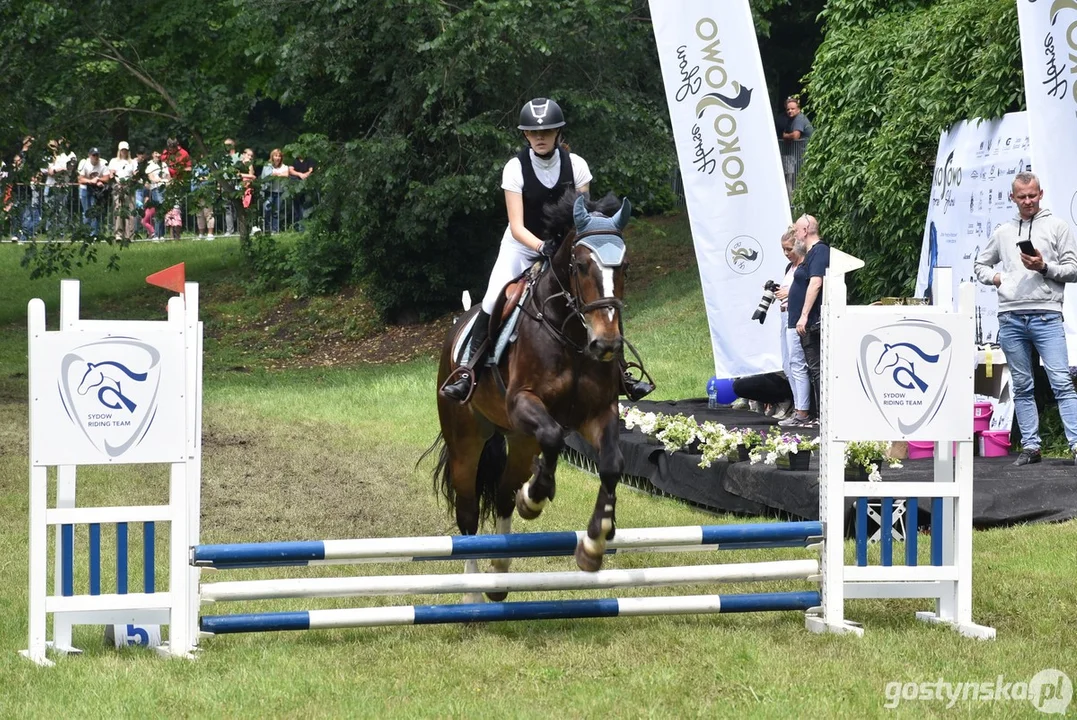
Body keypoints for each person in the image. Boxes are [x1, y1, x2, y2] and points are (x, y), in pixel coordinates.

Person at [440, 98, 594, 402]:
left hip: (564, 249)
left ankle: (620, 371)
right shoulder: (515, 168)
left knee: (596, 295)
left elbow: (583, 218)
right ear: (525, 135)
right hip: (522, 247)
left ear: (558, 133)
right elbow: (516, 225)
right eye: (533, 132)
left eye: (547, 131)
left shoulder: (577, 166)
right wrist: (541, 246)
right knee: (493, 297)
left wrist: (566, 248)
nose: (539, 137)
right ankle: (468, 371)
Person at [974, 172, 1077, 466]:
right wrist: (995, 277)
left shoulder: (1057, 227)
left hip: (1047, 314)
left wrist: (1044, 267)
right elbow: (980, 263)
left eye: (1032, 195)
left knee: (1061, 381)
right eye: (1022, 197)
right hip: (1010, 316)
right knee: (1021, 384)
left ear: (1041, 194)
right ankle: (1031, 446)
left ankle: (1075, 444)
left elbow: (1073, 269)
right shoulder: (1004, 230)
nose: (1028, 201)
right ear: (1013, 198)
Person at [785, 213, 829, 425]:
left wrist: (803, 316)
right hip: (806, 321)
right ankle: (818, 413)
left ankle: (823, 414)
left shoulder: (820, 251)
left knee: (817, 368)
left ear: (806, 230)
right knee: (812, 368)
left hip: (813, 321)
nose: (795, 235)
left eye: (796, 230)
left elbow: (816, 283)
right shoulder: (809, 254)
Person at [774, 227, 811, 426]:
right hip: (784, 315)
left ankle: (802, 411)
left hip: (795, 315)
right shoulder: (789, 269)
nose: (787, 254)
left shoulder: (804, 266)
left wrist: (789, 293)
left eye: (789, 249)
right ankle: (797, 408)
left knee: (797, 364)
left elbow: (806, 291)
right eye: (783, 250)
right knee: (787, 365)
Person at [778, 96, 813, 200]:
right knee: (791, 178)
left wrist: (785, 136)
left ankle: (797, 202)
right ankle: (791, 200)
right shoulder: (791, 119)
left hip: (804, 155)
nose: (790, 111)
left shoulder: (799, 119)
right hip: (796, 155)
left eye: (792, 109)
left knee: (799, 179)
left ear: (798, 109)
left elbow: (795, 135)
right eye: (788, 109)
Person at [108, 141, 138, 241]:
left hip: (129, 186)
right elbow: (111, 174)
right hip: (118, 186)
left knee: (130, 210)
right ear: (119, 150)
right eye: (122, 150)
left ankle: (130, 235)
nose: (124, 152)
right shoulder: (114, 161)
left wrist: (132, 179)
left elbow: (136, 173)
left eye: (125, 150)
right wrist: (114, 177)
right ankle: (118, 234)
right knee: (118, 210)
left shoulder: (133, 162)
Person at [77, 148, 110, 235]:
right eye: (94, 155)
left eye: (97, 155)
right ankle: (86, 233)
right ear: (89, 155)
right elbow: (80, 179)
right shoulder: (84, 163)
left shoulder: (103, 163)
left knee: (95, 212)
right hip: (85, 189)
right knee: (87, 212)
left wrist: (99, 179)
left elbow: (107, 178)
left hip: (96, 190)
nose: (95, 157)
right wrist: (91, 181)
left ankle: (94, 234)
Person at [260, 148, 290, 232]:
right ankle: (266, 228)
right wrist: (279, 174)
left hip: (279, 192)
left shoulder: (284, 166)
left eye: (279, 156)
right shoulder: (267, 165)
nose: (278, 158)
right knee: (267, 209)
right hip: (269, 191)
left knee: (277, 211)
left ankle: (275, 229)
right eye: (276, 156)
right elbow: (268, 175)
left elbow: (287, 174)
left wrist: (276, 174)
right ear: (272, 156)